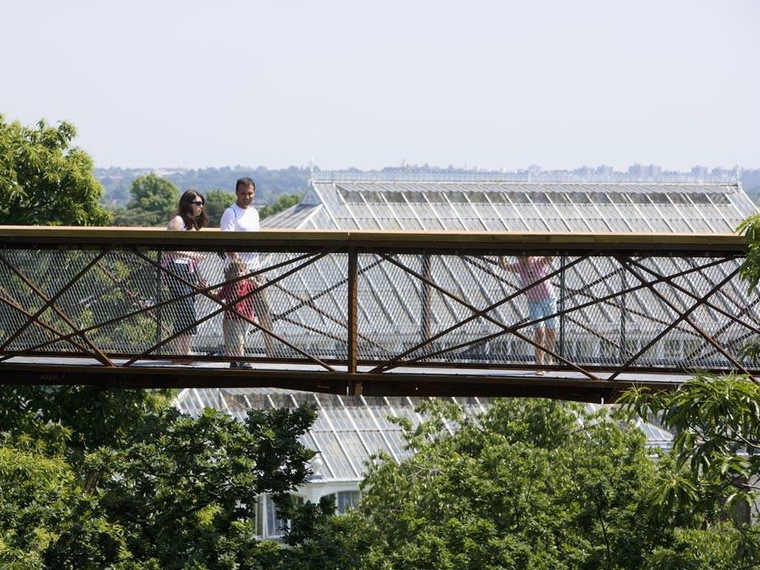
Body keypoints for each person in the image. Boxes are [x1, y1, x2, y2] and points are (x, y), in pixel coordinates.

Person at [220, 177, 275, 356]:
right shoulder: (230, 213)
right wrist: (241, 268)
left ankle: (271, 350)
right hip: (236, 273)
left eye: (250, 193)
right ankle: (238, 354)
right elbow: (228, 245)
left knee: (263, 310)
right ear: (237, 193)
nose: (247, 197)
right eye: (243, 193)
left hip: (255, 269)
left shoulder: (254, 213)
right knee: (238, 314)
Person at [165, 190, 209, 364]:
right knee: (185, 309)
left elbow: (192, 255)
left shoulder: (192, 224)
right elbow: (168, 248)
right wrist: (191, 255)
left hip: (188, 270)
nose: (200, 207)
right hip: (176, 269)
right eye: (197, 203)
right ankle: (184, 352)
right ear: (187, 204)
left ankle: (181, 352)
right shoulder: (178, 221)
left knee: (186, 309)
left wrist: (200, 277)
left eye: (201, 203)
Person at [499, 255, 557, 375]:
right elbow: (503, 266)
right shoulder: (520, 267)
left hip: (548, 299)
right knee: (539, 332)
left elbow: (549, 258)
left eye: (524, 257)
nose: (522, 260)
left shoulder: (538, 261)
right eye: (519, 257)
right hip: (533, 301)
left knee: (551, 330)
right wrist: (502, 256)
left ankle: (549, 357)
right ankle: (539, 364)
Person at [215, 259, 256, 369]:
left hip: (246, 317)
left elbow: (260, 288)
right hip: (232, 317)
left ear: (244, 273)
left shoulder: (249, 285)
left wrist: (255, 280)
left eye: (240, 271)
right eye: (235, 272)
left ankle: (234, 360)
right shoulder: (229, 286)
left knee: (242, 339)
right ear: (231, 274)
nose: (238, 274)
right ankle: (240, 360)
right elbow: (219, 296)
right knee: (237, 340)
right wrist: (209, 291)